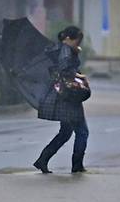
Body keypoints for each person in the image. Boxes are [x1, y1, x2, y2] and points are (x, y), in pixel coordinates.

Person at [34, 26, 90, 174]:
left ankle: (43, 160)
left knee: (65, 132)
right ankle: (77, 165)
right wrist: (79, 77)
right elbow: (65, 70)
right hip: (69, 97)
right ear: (68, 39)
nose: (78, 44)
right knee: (82, 132)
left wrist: (75, 55)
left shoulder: (62, 49)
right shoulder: (65, 51)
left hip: (63, 96)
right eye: (77, 41)